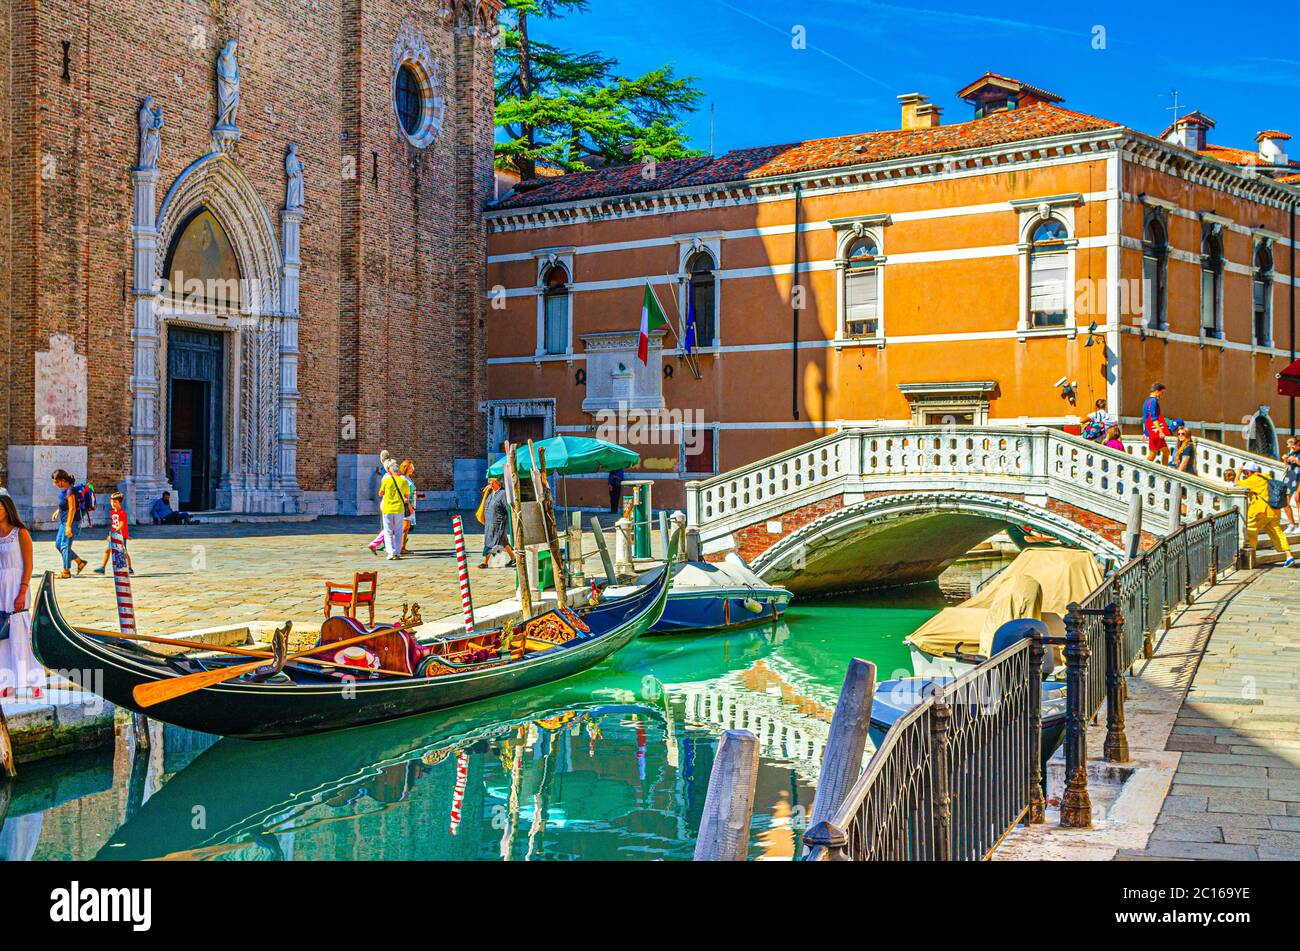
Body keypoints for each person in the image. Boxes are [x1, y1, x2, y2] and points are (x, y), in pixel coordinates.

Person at [0, 487, 44, 699]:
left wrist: (23, 590)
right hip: (0, 587)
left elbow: (28, 564)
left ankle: (34, 682)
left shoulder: (21, 533)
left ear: (7, 509)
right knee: (3, 636)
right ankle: (6, 682)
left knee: (21, 634)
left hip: (18, 584)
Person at [1240, 461, 1294, 567]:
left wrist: (1238, 472)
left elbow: (1237, 484)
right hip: (1274, 511)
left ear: (1248, 472)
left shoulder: (1252, 480)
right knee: (1278, 533)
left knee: (1251, 532)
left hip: (1259, 512)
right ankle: (1289, 556)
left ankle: (1251, 559)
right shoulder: (1267, 476)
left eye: (1245, 473)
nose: (1245, 475)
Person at [50, 469, 87, 579]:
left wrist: (68, 526)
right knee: (58, 545)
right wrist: (58, 511)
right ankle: (79, 562)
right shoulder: (66, 490)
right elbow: (65, 504)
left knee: (65, 546)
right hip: (64, 521)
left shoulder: (70, 490)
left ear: (62, 480)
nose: (55, 484)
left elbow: (72, 508)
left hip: (70, 522)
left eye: (56, 482)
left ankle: (66, 571)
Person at [478, 476, 514, 569]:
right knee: (504, 542)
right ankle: (513, 558)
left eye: (492, 483)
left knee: (490, 542)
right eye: (489, 483)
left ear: (498, 483)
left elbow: (508, 509)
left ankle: (485, 562)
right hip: (489, 523)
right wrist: (485, 491)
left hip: (498, 523)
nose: (490, 484)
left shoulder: (503, 494)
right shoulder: (490, 494)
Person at [93, 492, 134, 575]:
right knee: (107, 550)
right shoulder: (112, 512)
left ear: (120, 502)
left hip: (120, 536)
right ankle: (102, 567)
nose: (113, 504)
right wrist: (111, 534)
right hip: (114, 534)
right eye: (112, 501)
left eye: (115, 502)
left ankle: (129, 568)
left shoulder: (122, 512)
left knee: (123, 552)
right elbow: (114, 525)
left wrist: (113, 534)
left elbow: (121, 525)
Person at [378, 460, 410, 560]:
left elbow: (380, 493)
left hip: (387, 508)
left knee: (388, 531)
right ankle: (397, 553)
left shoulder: (386, 480)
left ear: (391, 471)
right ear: (399, 471)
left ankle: (390, 553)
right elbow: (407, 495)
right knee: (398, 532)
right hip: (399, 509)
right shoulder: (404, 481)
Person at [1141, 382, 1171, 466]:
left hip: (1152, 430)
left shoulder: (1147, 401)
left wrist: (1145, 432)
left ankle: (1165, 471)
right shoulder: (1153, 402)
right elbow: (1154, 418)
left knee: (1166, 452)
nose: (1162, 394)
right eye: (1162, 392)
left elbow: (1146, 418)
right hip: (1155, 431)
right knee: (1152, 455)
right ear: (1157, 391)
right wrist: (1161, 431)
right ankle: (1141, 469)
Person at [1282, 436, 1300, 529]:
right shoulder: (1291, 452)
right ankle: (1292, 524)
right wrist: (1285, 460)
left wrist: (1296, 460)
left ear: (1297, 444)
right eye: (1289, 447)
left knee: (1298, 501)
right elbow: (1287, 467)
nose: (1291, 449)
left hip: (1298, 479)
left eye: (1292, 447)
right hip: (1290, 478)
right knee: (1285, 503)